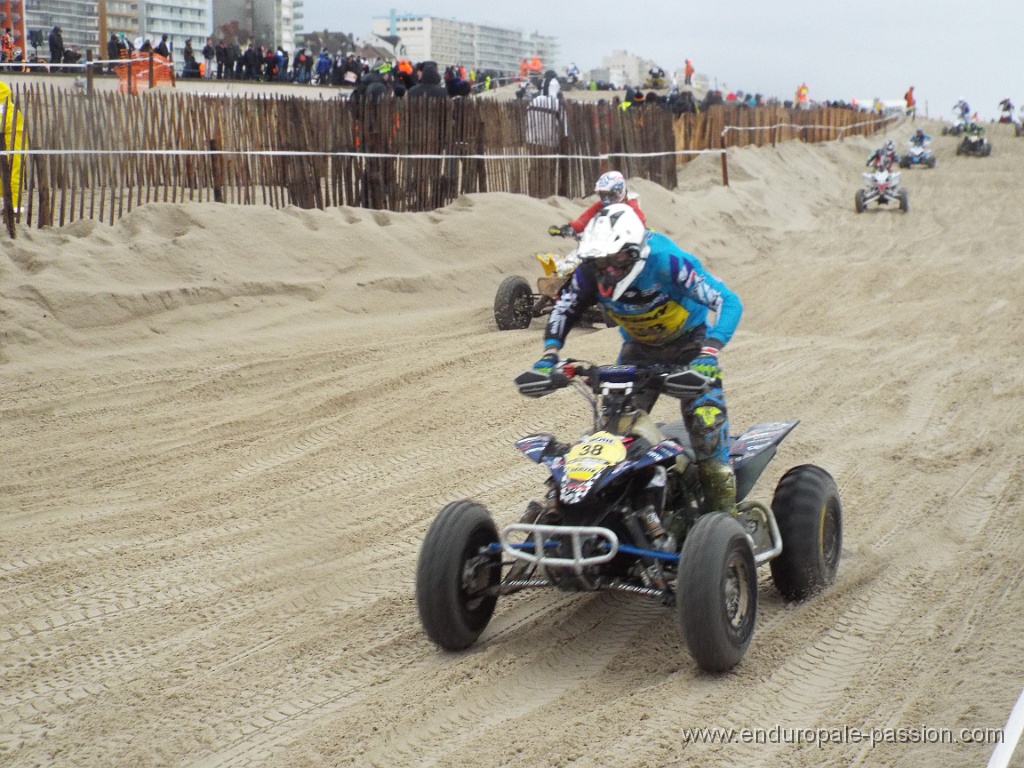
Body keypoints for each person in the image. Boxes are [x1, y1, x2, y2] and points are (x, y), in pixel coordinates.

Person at [532, 204, 743, 518]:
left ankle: (726, 523)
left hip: (691, 346)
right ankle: (614, 519)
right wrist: (550, 354)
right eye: (597, 260)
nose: (604, 270)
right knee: (612, 440)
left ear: (631, 252)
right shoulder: (589, 272)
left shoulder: (667, 263)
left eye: (611, 260)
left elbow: (728, 300)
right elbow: (564, 308)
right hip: (639, 352)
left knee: (707, 426)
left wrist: (710, 351)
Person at [549, 170, 646, 237]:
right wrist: (570, 229)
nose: (606, 200)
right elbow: (584, 220)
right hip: (600, 246)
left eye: (611, 195)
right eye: (603, 195)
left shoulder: (632, 209)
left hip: (624, 250)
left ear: (620, 191)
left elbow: (641, 230)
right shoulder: (602, 205)